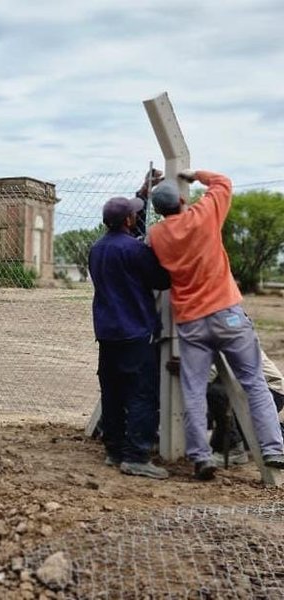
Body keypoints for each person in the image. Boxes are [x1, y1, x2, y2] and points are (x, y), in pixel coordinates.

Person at [148, 170, 284, 480]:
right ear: (182, 199)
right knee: (254, 381)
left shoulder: (157, 235)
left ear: (159, 211)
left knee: (193, 389)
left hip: (191, 321)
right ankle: (273, 449)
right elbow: (223, 183)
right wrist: (195, 175)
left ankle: (200, 457)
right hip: (227, 314)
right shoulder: (204, 214)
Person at [89, 193, 171, 479]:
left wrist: (142, 194)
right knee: (140, 394)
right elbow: (161, 279)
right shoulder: (135, 251)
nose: (136, 217)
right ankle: (137, 455)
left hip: (107, 332)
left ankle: (114, 451)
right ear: (128, 220)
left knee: (112, 392)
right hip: (135, 331)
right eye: (134, 213)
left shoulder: (97, 248)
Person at [207, 350, 284, 465]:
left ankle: (234, 449)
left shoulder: (227, 337)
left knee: (216, 392)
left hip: (270, 391)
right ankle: (275, 432)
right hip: (253, 389)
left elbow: (212, 372)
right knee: (222, 440)